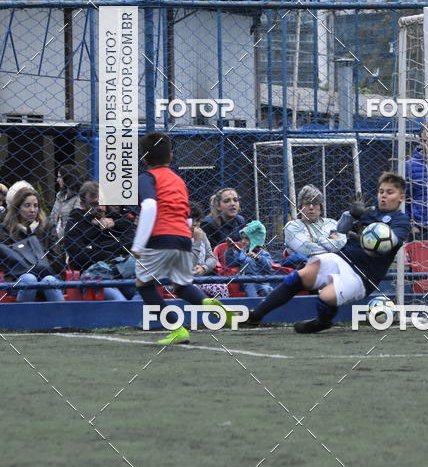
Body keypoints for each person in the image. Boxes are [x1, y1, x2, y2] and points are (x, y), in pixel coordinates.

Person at [241, 172, 410, 334]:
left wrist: (367, 237)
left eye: (390, 192)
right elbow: (341, 230)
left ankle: (322, 322)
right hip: (341, 257)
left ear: (401, 198)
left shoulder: (400, 220)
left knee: (326, 297)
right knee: (297, 278)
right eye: (381, 191)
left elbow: (392, 241)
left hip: (362, 276)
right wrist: (351, 214)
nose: (383, 196)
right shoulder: (370, 212)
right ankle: (255, 316)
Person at [132, 132, 232, 345]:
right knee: (182, 285)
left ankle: (176, 329)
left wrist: (139, 244)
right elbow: (187, 215)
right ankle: (207, 302)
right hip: (183, 238)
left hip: (160, 237)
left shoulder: (147, 177)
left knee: (144, 284)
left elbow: (149, 206)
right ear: (171, 157)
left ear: (144, 159)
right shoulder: (178, 180)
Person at [64, 181, 137, 301]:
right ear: (83, 204)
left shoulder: (116, 218)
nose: (99, 207)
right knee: (120, 301)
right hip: (97, 276)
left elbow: (131, 242)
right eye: (94, 204)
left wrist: (96, 246)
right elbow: (78, 255)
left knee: (142, 295)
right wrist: (115, 254)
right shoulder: (75, 223)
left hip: (125, 274)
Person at [0, 184, 64, 302]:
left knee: (49, 280)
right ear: (17, 208)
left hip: (48, 275)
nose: (33, 210)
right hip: (17, 279)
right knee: (29, 279)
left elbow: (58, 259)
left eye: (36, 206)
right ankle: (23, 319)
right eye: (27, 205)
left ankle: (63, 319)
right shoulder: (5, 230)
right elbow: (7, 262)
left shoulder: (48, 227)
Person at [283, 185, 347, 268]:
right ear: (300, 207)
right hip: (305, 270)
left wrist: (316, 240)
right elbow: (305, 250)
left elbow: (342, 244)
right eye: (307, 203)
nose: (311, 207)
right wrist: (332, 246)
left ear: (321, 207)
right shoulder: (293, 226)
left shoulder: (332, 223)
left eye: (315, 203)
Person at [227, 220, 274, 297]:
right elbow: (230, 263)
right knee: (250, 288)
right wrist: (229, 250)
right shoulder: (242, 252)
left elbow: (268, 266)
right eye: (242, 238)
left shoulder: (263, 253)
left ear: (256, 239)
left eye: (247, 239)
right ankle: (253, 305)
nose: (243, 241)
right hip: (246, 280)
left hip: (261, 281)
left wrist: (258, 258)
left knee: (267, 290)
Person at [47, 163, 84, 258]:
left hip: (69, 240)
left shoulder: (79, 198)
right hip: (54, 238)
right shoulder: (59, 195)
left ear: (67, 178)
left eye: (60, 177)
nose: (57, 180)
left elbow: (75, 223)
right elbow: (52, 218)